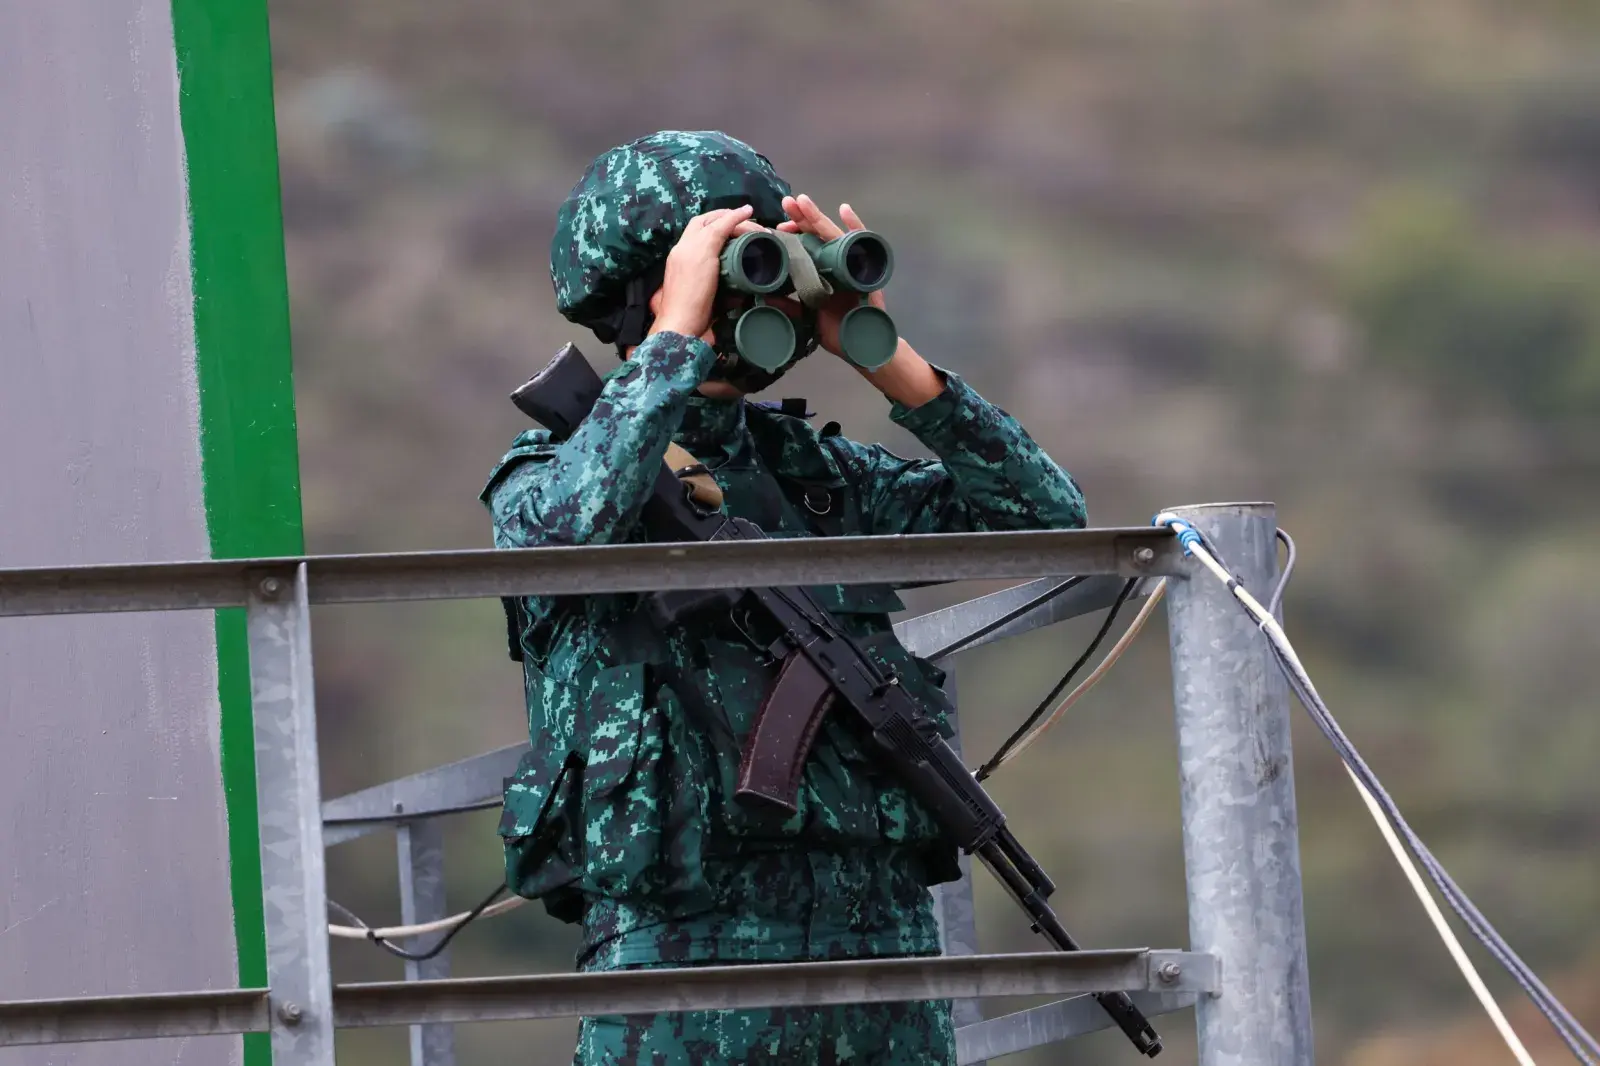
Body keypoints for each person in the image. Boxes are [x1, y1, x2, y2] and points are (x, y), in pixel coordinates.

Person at [480, 130, 1087, 1066]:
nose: (749, 293)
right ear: (645, 290)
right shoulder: (551, 473)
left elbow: (1045, 518)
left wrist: (885, 356)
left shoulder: (814, 475)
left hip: (878, 951)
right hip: (681, 958)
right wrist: (672, 340)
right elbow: (572, 527)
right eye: (728, 270)